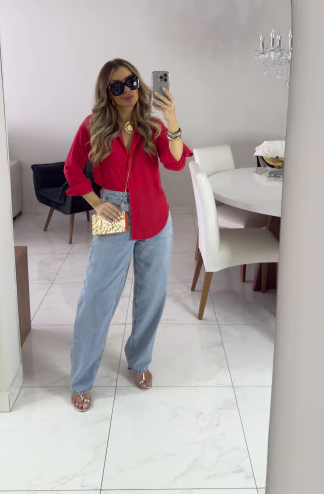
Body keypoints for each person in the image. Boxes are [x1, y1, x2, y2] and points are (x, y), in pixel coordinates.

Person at [64, 58, 192, 411]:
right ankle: (81, 379)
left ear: (139, 83)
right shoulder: (92, 125)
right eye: (117, 86)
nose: (127, 91)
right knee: (96, 298)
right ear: (107, 92)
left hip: (155, 216)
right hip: (112, 210)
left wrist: (172, 119)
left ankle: (139, 361)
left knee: (152, 297)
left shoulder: (153, 127)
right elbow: (72, 168)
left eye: (132, 82)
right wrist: (96, 202)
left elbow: (176, 162)